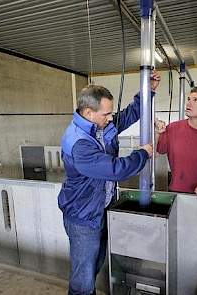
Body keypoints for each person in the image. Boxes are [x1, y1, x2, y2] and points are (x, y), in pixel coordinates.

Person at [58, 72, 160, 295]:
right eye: (106, 113)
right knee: (83, 278)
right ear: (88, 112)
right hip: (83, 216)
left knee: (94, 265)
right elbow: (116, 169)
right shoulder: (79, 143)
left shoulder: (101, 126)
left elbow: (129, 114)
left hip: (100, 208)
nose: (111, 118)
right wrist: (142, 153)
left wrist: (148, 91)